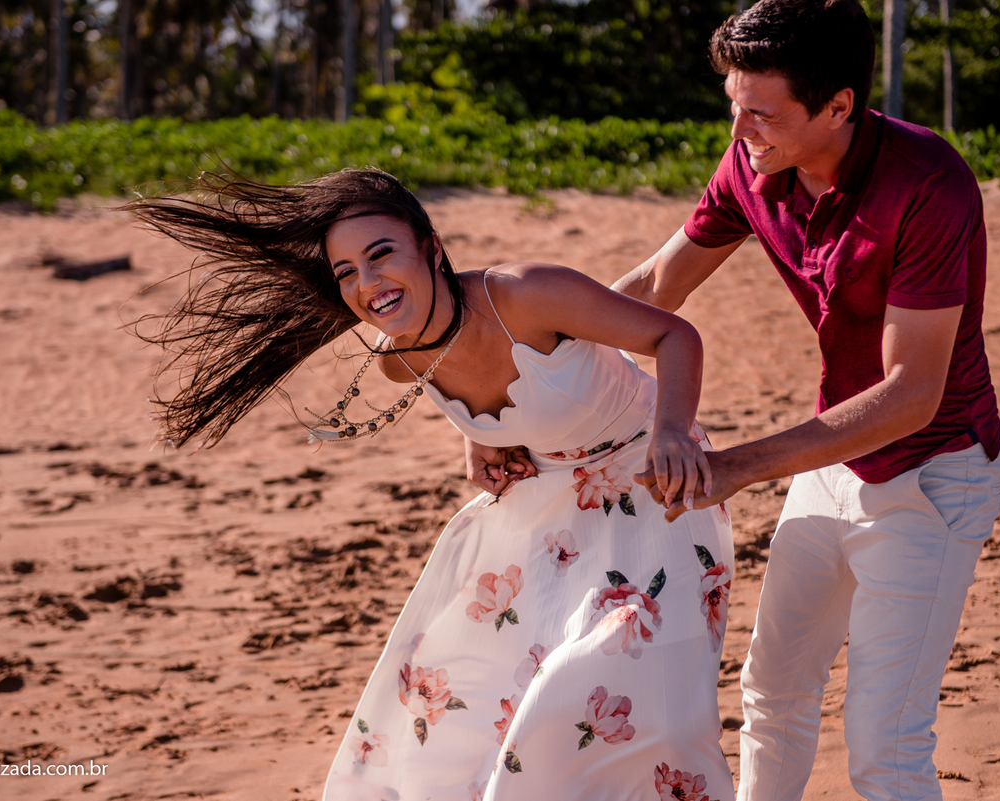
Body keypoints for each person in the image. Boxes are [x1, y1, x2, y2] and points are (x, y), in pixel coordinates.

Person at [129, 169, 736, 801]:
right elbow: (489, 394)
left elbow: (674, 336)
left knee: (606, 691)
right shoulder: (398, 361)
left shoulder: (527, 293)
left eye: (381, 254)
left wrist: (672, 433)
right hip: (553, 513)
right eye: (345, 273)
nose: (367, 283)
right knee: (478, 704)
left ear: (432, 247)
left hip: (656, 487)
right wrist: (481, 436)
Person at [609, 0, 1000, 799]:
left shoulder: (928, 184)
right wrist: (521, 366)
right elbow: (652, 288)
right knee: (772, 692)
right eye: (734, 106)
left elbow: (910, 394)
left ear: (838, 106)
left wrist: (735, 466)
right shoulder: (751, 164)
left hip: (934, 474)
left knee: (885, 751)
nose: (739, 129)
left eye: (762, 113)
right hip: (830, 461)